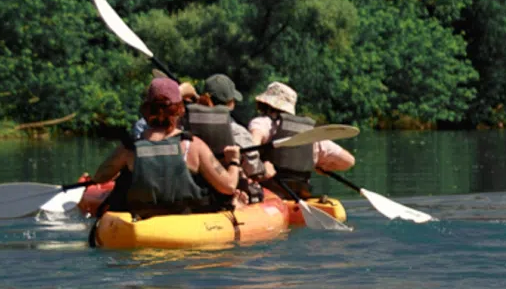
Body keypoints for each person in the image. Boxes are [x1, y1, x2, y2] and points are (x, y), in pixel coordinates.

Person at [79, 77, 240, 218]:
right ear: (180, 109)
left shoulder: (129, 148)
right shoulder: (193, 146)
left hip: (140, 225)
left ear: (146, 110)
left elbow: (99, 177)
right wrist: (233, 161)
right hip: (187, 225)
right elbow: (229, 186)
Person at [246, 80, 357, 203]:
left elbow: (250, 151)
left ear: (264, 104)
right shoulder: (310, 133)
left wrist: (261, 167)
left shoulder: (262, 123)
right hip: (299, 194)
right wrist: (322, 166)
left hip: (269, 194)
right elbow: (348, 161)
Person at [182, 72, 249, 189]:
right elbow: (252, 168)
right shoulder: (238, 131)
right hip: (223, 188)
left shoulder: (183, 123)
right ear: (230, 103)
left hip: (192, 187)